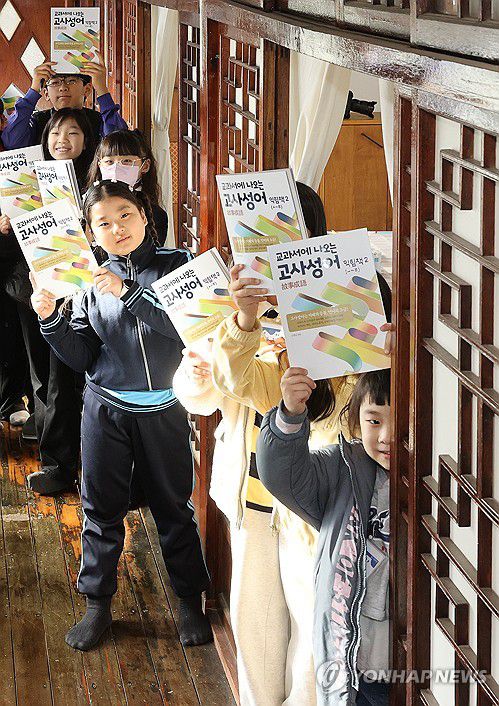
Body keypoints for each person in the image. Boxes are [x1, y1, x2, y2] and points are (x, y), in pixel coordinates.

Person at [174, 182, 393, 705]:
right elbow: (211, 388)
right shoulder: (234, 303)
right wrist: (239, 326)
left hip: (315, 506)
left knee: (314, 639)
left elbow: (363, 395)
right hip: (252, 499)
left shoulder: (342, 297)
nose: (272, 253)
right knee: (255, 631)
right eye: (258, 239)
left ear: (314, 239)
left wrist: (373, 349)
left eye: (290, 237)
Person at [30, 180, 211, 651]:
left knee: (174, 507)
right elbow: (82, 357)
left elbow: (187, 328)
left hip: (164, 407)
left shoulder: (179, 263)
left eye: (125, 215)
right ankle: (97, 605)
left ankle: (189, 600)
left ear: (145, 214)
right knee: (100, 508)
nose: (117, 228)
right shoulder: (87, 281)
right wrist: (49, 319)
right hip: (105, 408)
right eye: (104, 223)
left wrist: (128, 292)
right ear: (91, 233)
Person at [256, 368, 391, 706]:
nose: (386, 436)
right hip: (353, 660)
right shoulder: (344, 468)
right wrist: (291, 413)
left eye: (403, 420)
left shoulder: (438, 478)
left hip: (419, 659)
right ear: (356, 420)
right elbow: (284, 477)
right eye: (374, 421)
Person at [1, 53, 127, 150]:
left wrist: (102, 89)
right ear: (46, 94)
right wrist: (33, 90)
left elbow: (119, 145)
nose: (63, 87)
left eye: (71, 81)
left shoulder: (99, 121)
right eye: (55, 82)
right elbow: (12, 142)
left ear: (87, 89)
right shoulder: (38, 122)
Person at [87, 129, 168, 245]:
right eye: (109, 162)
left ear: (145, 166)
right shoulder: (88, 205)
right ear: (99, 165)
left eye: (126, 161)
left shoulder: (156, 215)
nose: (116, 168)